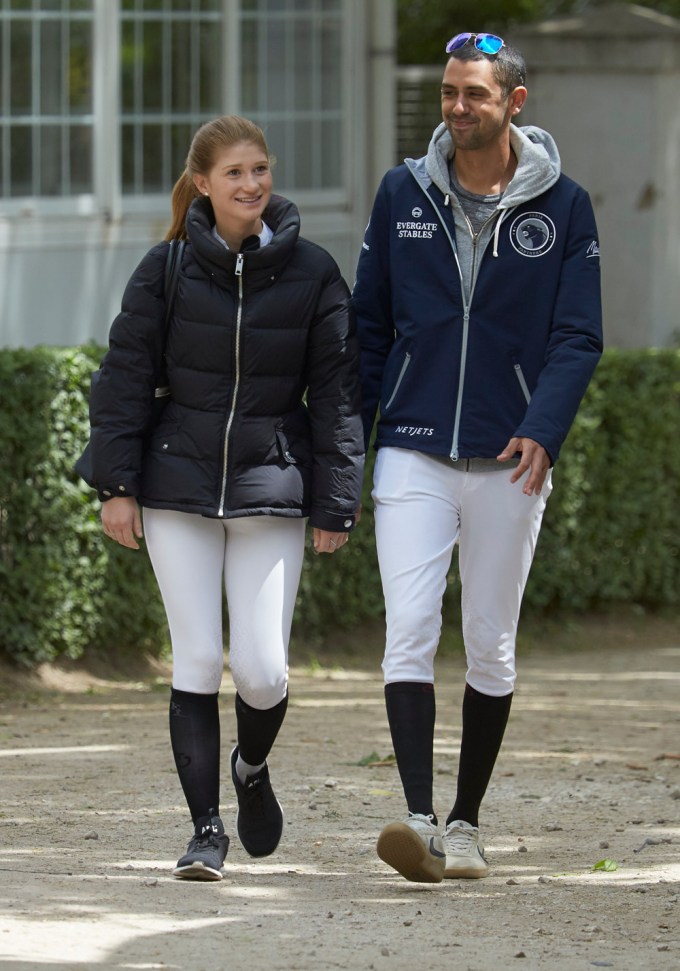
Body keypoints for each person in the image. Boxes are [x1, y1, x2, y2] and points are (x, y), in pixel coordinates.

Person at [80, 115, 364, 881]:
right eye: (235, 172)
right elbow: (123, 380)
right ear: (202, 183)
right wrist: (116, 484)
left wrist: (338, 500)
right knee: (200, 655)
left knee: (265, 670)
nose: (252, 184)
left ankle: (250, 765)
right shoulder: (164, 268)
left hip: (270, 485)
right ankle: (205, 829)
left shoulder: (313, 272)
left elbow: (338, 396)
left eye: (261, 169)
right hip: (177, 487)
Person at [352, 32, 602, 883]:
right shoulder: (401, 192)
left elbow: (578, 335)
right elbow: (367, 330)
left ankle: (466, 822)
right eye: (451, 93)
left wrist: (545, 424)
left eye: (476, 95)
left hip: (509, 455)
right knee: (410, 630)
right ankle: (418, 818)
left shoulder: (565, 206)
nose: (458, 108)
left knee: (491, 644)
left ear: (514, 103)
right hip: (413, 447)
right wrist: (354, 443)